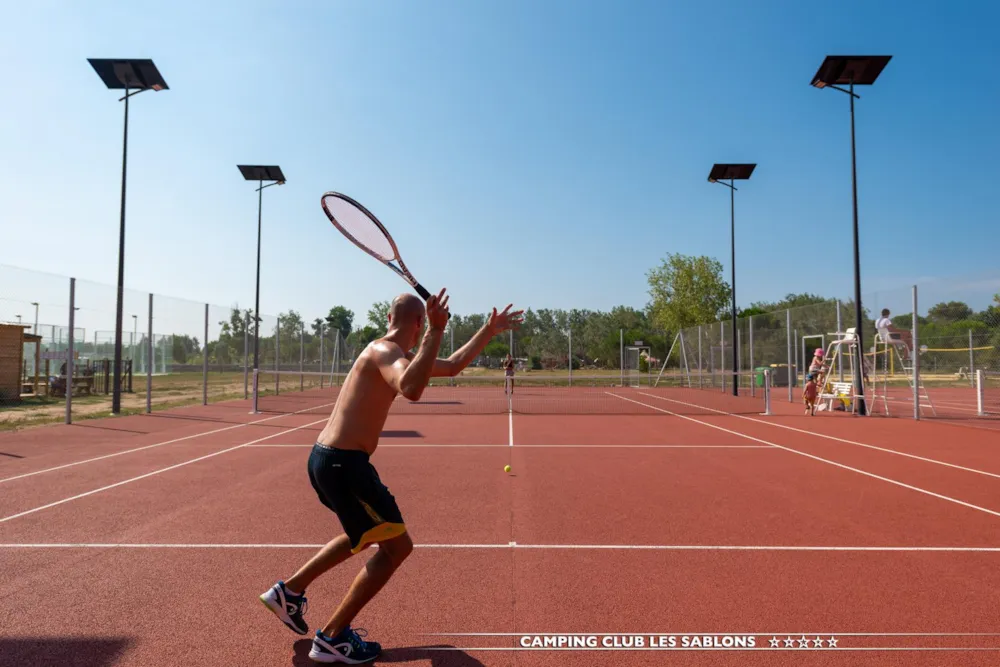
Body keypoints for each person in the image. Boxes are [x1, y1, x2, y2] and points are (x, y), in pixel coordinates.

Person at [259, 289, 523, 664]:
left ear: (388, 317)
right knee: (398, 547)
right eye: (425, 326)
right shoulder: (385, 353)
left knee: (364, 533)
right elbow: (411, 388)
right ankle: (332, 638)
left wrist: (487, 330)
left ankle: (289, 591)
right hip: (344, 464)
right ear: (418, 324)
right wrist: (435, 331)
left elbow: (451, 366)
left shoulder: (393, 353)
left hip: (328, 459)